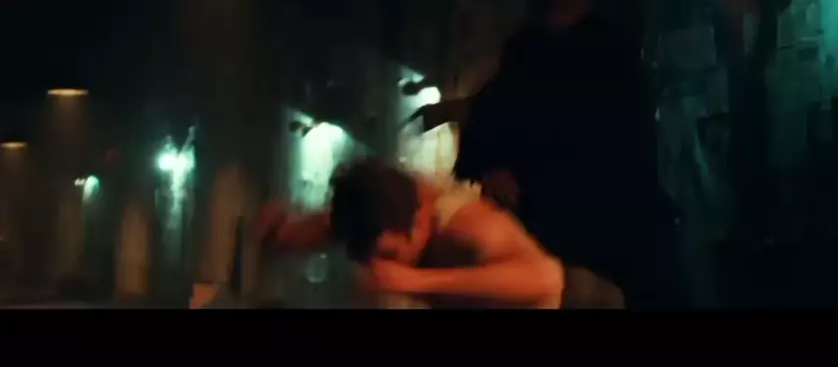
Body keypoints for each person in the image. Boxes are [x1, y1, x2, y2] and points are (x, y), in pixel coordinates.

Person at [412, 0, 682, 309]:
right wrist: (492, 165)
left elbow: (628, 139)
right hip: (546, 213)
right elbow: (494, 110)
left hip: (605, 215)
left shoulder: (612, 52)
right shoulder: (528, 49)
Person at [259, 158, 624, 309]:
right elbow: (344, 222)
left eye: (389, 256)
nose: (382, 267)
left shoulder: (469, 230)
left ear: (416, 226)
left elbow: (546, 279)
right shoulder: (390, 209)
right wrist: (285, 235)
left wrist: (414, 281)